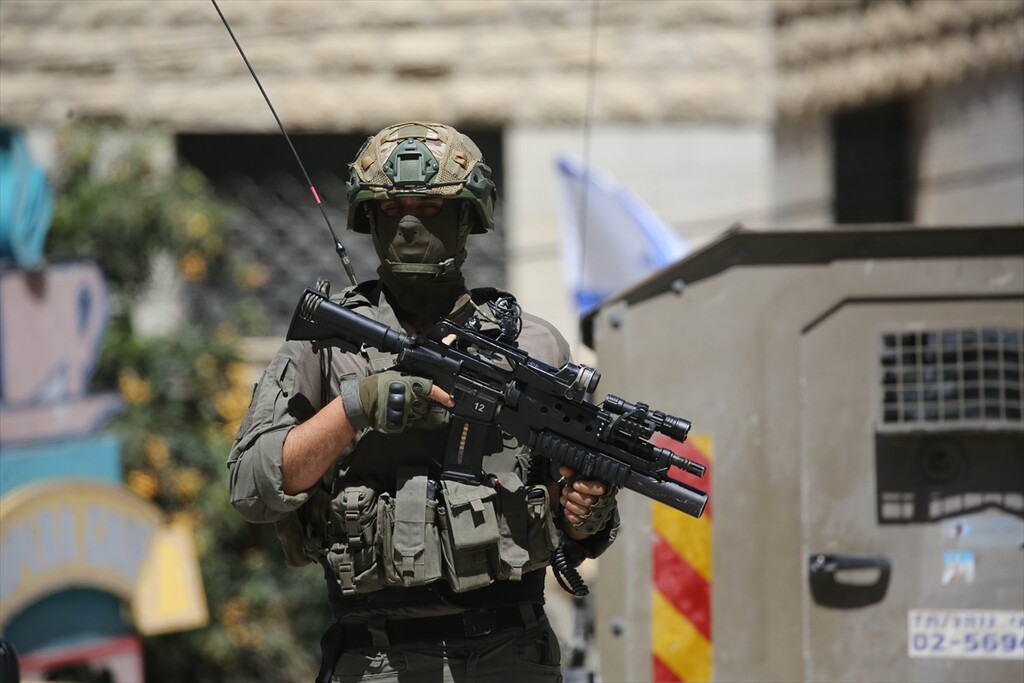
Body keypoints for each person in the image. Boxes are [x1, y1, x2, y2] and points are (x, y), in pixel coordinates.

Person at [228, 121, 619, 683]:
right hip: (378, 658)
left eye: (431, 208)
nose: (410, 223)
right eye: (392, 209)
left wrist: (587, 514)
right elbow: (250, 486)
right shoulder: (327, 345)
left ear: (468, 218)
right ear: (369, 219)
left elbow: (573, 518)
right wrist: (352, 409)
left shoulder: (531, 346)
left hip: (513, 653)